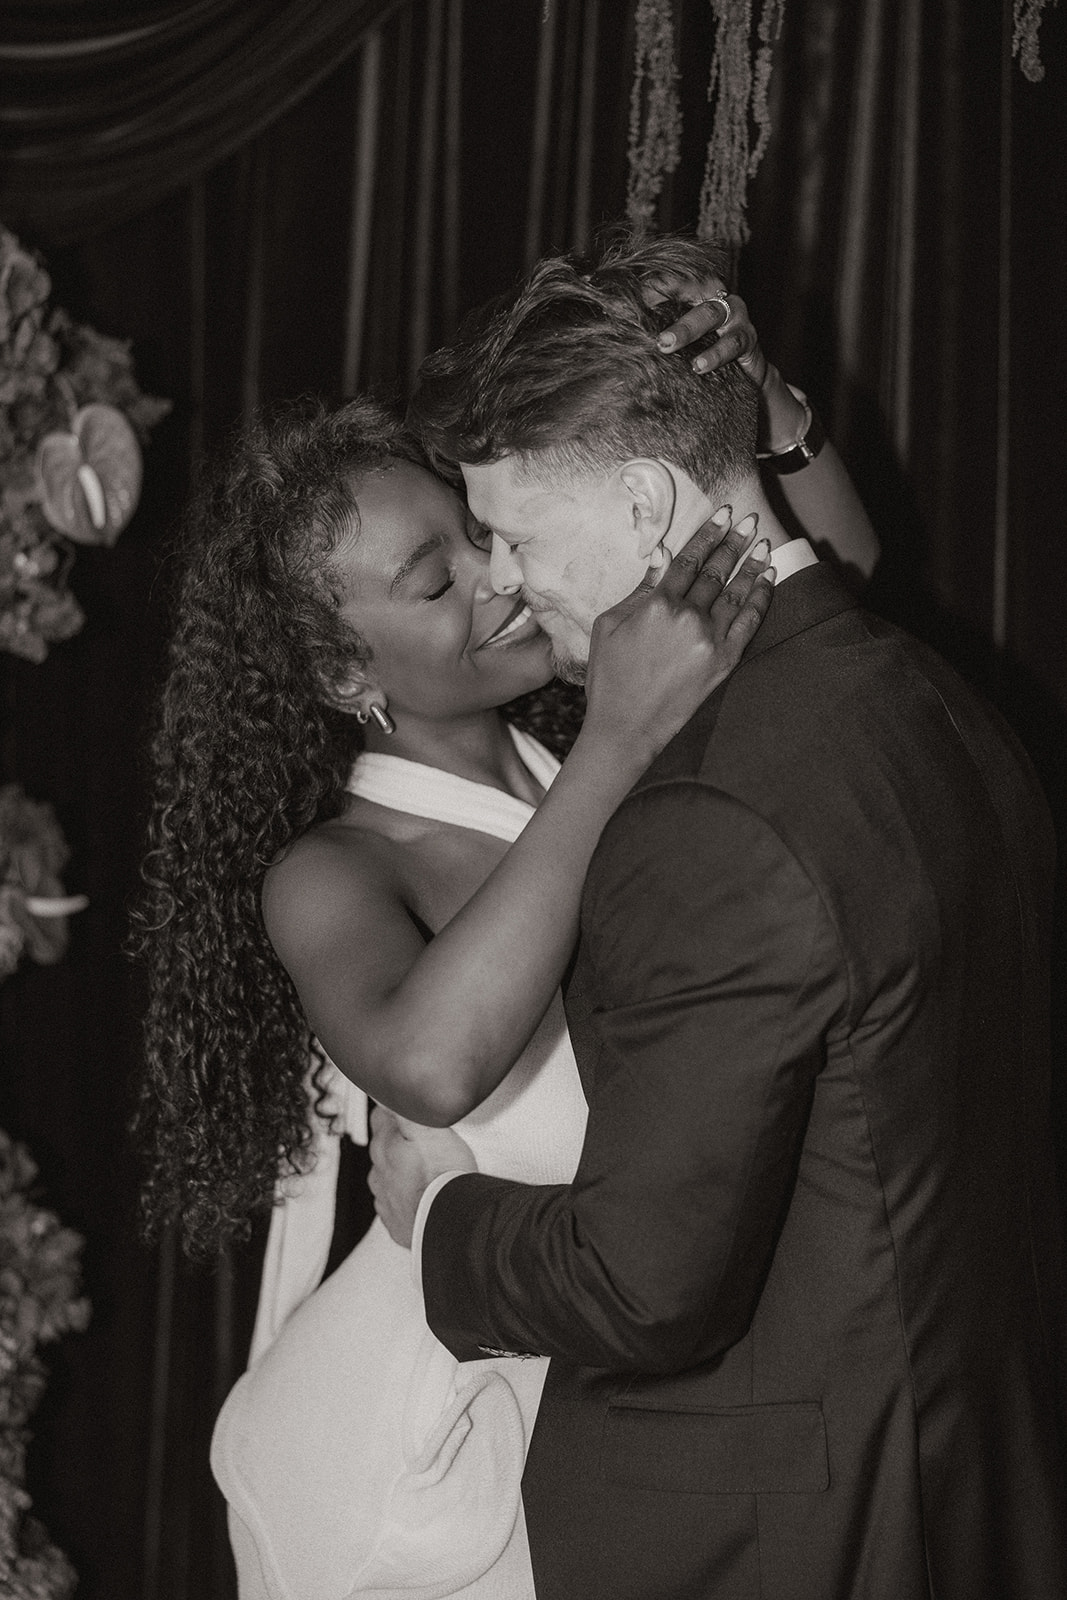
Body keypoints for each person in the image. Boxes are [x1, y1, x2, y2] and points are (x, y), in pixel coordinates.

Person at [134, 274, 879, 1600]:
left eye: (482, 533)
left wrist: (764, 409)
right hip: (420, 1470)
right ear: (346, 675)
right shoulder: (339, 869)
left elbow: (834, 583)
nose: (499, 579)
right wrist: (621, 737)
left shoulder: (597, 720)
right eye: (436, 582)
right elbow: (433, 1063)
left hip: (612, 1414)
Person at [369, 229, 1067, 1600]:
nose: (500, 580)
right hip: (963, 1468)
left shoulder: (702, 819)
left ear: (646, 503)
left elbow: (644, 1288)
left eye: (512, 535)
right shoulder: (942, 700)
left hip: (792, 1538)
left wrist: (438, 1218)